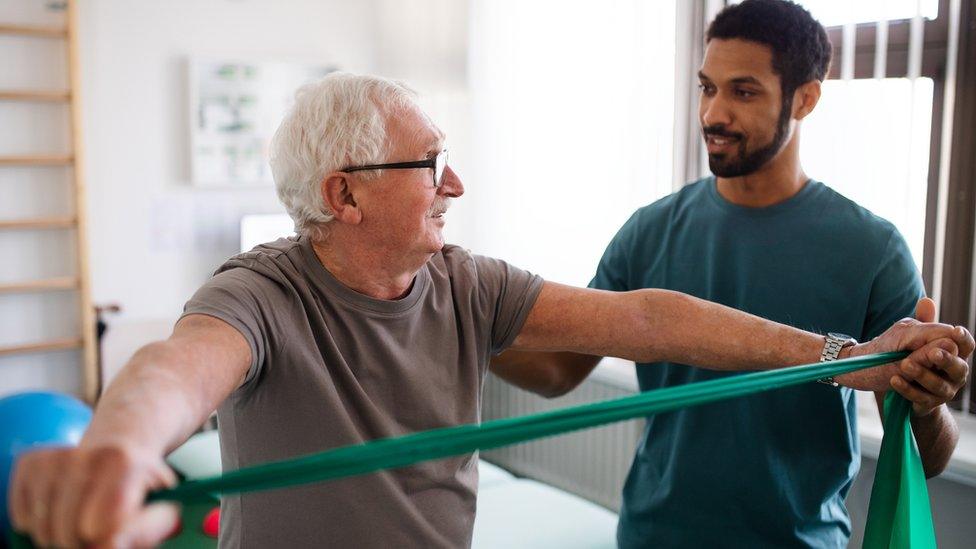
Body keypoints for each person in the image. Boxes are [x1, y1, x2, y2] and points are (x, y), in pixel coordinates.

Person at [9, 72, 972, 549]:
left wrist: (842, 354)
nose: (455, 182)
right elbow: (178, 370)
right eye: (429, 163)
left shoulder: (466, 282)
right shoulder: (259, 293)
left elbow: (640, 319)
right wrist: (123, 445)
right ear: (344, 196)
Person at [490, 1, 972, 547]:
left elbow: (922, 455)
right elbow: (558, 369)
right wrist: (459, 326)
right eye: (707, 88)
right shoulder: (650, 230)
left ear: (806, 98)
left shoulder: (873, 249)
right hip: (653, 537)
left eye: (743, 92)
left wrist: (928, 404)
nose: (713, 114)